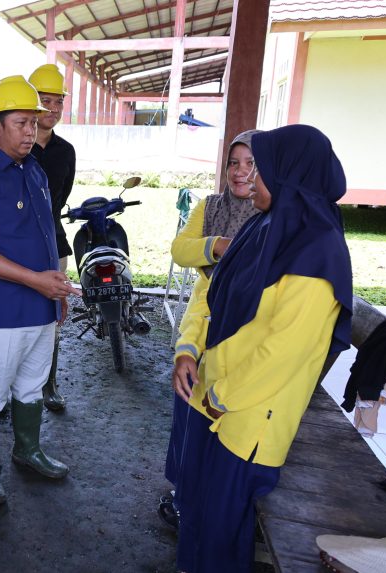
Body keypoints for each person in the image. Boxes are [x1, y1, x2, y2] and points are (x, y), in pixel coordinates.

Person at [173, 124, 353, 572]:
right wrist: (188, 347)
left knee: (220, 534)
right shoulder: (266, 228)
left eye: (262, 167)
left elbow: (283, 351)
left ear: (291, 174)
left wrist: (219, 398)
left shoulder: (318, 253)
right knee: (196, 516)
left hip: (246, 420)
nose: (249, 176)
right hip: (214, 396)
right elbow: (211, 295)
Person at [0, 75, 81, 505]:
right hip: (3, 311)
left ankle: (27, 450)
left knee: (31, 385)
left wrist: (56, 290)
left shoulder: (37, 172)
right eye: (23, 123)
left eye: (34, 122)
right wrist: (35, 281)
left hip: (43, 305)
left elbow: (47, 237)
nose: (32, 131)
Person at [161, 130, 261, 526]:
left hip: (241, 334)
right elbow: (181, 250)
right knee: (187, 414)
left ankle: (211, 505)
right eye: (234, 163)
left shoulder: (270, 214)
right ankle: (183, 492)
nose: (241, 172)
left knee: (221, 419)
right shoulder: (211, 206)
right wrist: (217, 245)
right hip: (201, 321)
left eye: (251, 163)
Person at [28, 63, 77, 412]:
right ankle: (9, 388)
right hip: (13, 245)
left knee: (53, 317)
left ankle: (49, 383)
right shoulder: (16, 146)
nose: (53, 109)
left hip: (53, 242)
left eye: (58, 101)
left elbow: (60, 199)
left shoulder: (66, 152)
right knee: (14, 315)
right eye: (45, 100)